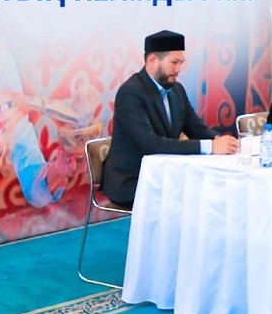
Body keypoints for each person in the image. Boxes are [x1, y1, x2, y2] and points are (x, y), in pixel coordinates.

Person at [101, 30, 238, 206]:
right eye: (174, 63)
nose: (179, 70)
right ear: (153, 60)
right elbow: (151, 144)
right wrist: (211, 147)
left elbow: (196, 128)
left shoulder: (176, 90)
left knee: (210, 190)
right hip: (133, 180)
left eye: (181, 63)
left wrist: (222, 141)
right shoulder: (131, 92)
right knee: (194, 197)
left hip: (164, 174)